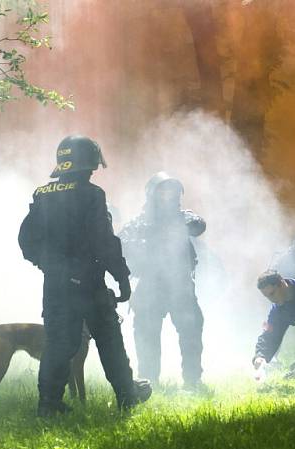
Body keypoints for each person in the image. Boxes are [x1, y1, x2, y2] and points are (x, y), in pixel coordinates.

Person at [18, 135, 151, 416]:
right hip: (89, 284)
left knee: (59, 344)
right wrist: (122, 277)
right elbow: (103, 240)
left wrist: (47, 266)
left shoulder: (42, 194)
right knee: (109, 339)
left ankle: (49, 404)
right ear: (88, 163)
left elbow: (26, 238)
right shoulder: (92, 194)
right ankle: (127, 396)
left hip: (55, 285)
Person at [119, 172, 206, 389]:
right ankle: (149, 382)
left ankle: (193, 381)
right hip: (150, 287)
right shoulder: (139, 222)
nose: (168, 196)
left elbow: (198, 224)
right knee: (146, 335)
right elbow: (120, 241)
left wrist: (176, 227)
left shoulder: (183, 216)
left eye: (172, 191)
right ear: (152, 194)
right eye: (163, 191)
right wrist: (140, 241)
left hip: (180, 286)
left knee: (191, 332)